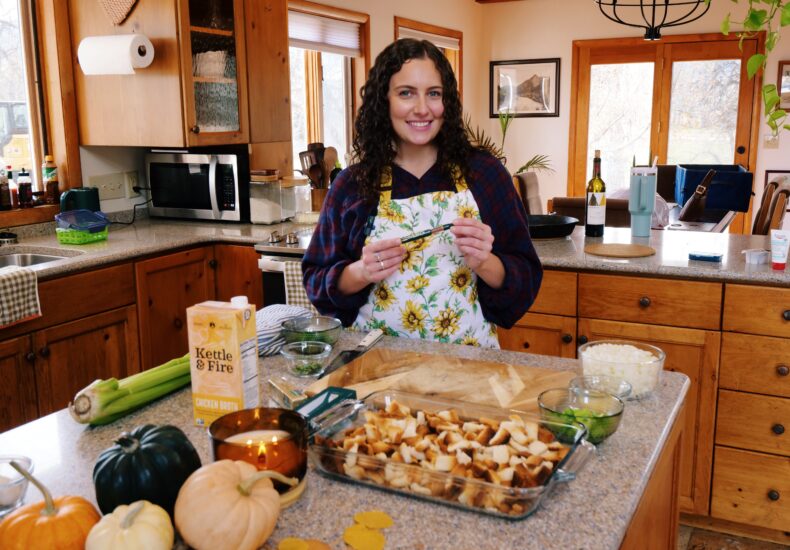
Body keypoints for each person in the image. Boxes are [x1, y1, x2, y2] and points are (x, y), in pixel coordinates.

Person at [302, 38, 542, 348]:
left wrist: (485, 262)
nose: (422, 109)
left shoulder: (484, 175)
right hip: (378, 371)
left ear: (447, 102)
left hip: (470, 370)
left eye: (434, 94)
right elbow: (316, 281)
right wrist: (361, 271)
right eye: (406, 93)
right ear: (383, 101)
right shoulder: (352, 185)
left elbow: (525, 280)